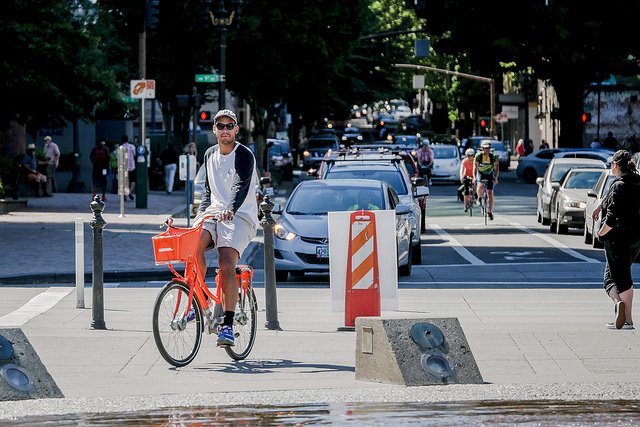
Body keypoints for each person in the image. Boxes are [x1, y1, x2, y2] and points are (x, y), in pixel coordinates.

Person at [194, 109, 259, 347]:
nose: (225, 130)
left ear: (236, 130)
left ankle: (228, 325)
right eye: (220, 126)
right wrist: (201, 212)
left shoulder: (244, 155)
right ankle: (198, 303)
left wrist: (230, 208)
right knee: (194, 246)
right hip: (215, 212)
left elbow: (240, 186)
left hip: (240, 214)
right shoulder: (209, 154)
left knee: (225, 261)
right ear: (214, 130)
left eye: (229, 126)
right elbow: (209, 190)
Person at [593, 150, 640, 330]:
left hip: (618, 239)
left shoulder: (619, 186)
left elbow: (612, 218)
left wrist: (601, 233)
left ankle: (626, 317)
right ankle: (620, 308)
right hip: (635, 238)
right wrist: (600, 205)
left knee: (620, 277)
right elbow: (611, 200)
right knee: (614, 276)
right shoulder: (635, 182)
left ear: (615, 165)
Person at [473, 140, 499, 220]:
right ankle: (479, 197)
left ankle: (490, 212)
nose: (487, 150)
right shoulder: (478, 156)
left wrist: (495, 177)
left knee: (490, 193)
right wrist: (474, 177)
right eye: (485, 148)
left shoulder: (493, 156)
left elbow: (496, 168)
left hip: (489, 174)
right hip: (481, 173)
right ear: (482, 148)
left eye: (488, 148)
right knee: (480, 185)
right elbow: (475, 167)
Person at [120, 135, 136, 200]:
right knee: (133, 181)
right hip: (132, 166)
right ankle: (129, 191)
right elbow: (135, 154)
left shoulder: (120, 148)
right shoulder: (132, 146)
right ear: (128, 140)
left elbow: (117, 157)